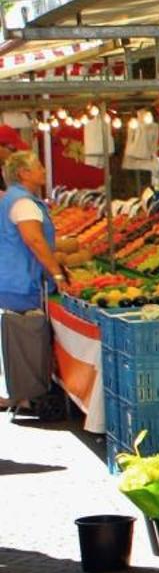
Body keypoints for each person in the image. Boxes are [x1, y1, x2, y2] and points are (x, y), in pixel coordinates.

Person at [0, 153, 64, 414]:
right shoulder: (23, 203)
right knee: (27, 334)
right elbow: (34, 241)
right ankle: (29, 397)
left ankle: (22, 394)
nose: (43, 170)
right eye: (37, 166)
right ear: (23, 173)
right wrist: (57, 274)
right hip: (22, 281)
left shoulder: (13, 198)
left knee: (19, 336)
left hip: (12, 279)